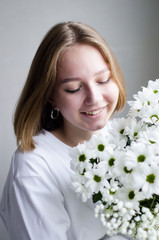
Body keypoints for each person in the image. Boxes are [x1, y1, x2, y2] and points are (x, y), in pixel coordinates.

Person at [0, 22, 128, 240]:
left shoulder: (125, 140)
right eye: (74, 89)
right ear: (51, 97)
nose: (94, 98)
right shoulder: (33, 167)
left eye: (103, 79)